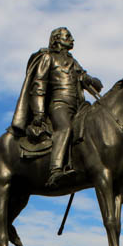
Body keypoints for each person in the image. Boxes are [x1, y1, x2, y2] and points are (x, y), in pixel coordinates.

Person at [11, 27, 103, 187]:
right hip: (59, 104)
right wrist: (39, 111)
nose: (72, 39)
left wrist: (91, 80)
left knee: (98, 130)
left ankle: (106, 176)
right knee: (65, 128)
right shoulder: (48, 58)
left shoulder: (73, 62)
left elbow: (83, 76)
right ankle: (56, 171)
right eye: (68, 36)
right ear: (56, 39)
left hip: (79, 106)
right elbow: (39, 85)